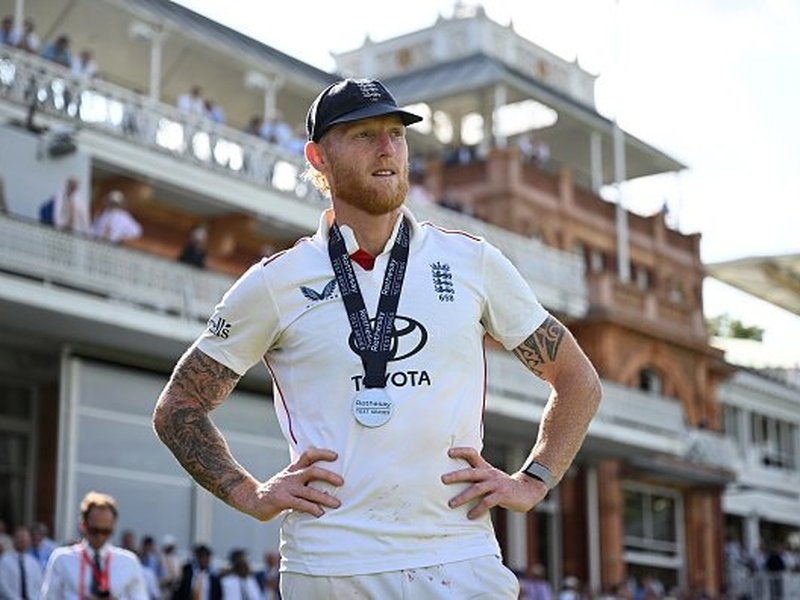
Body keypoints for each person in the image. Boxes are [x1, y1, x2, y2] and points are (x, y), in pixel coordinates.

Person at [153, 77, 601, 600]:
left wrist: (534, 480)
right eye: (363, 135)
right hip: (332, 565)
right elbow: (179, 406)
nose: (387, 148)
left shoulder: (471, 261)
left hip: (458, 557)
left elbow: (577, 380)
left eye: (396, 133)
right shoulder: (276, 281)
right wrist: (248, 492)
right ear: (318, 157)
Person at [41, 490, 148, 599]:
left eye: (106, 531)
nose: (100, 536)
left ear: (113, 527)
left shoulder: (129, 561)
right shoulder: (62, 559)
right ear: (83, 525)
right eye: (94, 530)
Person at [0, 524, 44, 600]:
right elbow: (2, 585)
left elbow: (39, 585)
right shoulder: (4, 561)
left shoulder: (34, 563)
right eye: (20, 538)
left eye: (25, 539)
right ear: (14, 540)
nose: (23, 541)